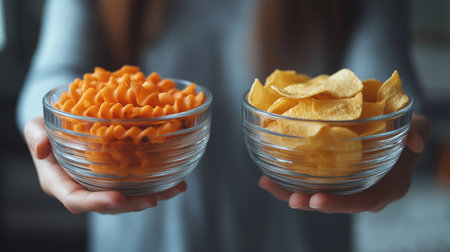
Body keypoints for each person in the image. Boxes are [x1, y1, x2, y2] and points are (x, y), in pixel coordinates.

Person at [17, 0, 431, 251]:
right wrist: (44, 130)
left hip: (301, 230)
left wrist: (400, 141)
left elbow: (386, 75)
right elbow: (56, 72)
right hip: (141, 227)